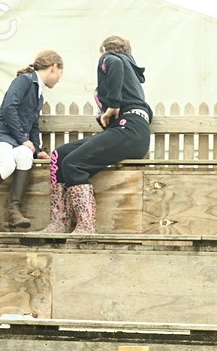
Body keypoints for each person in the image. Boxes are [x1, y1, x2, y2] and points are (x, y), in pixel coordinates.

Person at [40, 36, 152, 235]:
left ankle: (86, 226)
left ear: (103, 49)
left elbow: (114, 64)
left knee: (73, 163)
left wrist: (114, 106)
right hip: (128, 129)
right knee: (60, 155)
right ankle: (59, 223)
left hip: (129, 128)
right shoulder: (131, 73)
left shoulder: (110, 58)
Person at [0, 50, 63, 229]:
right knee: (7, 164)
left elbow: (33, 125)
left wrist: (38, 150)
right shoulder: (24, 81)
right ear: (54, 67)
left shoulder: (39, 93)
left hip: (16, 141)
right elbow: (9, 109)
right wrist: (23, 139)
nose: (60, 78)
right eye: (61, 72)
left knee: (25, 157)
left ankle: (13, 211)